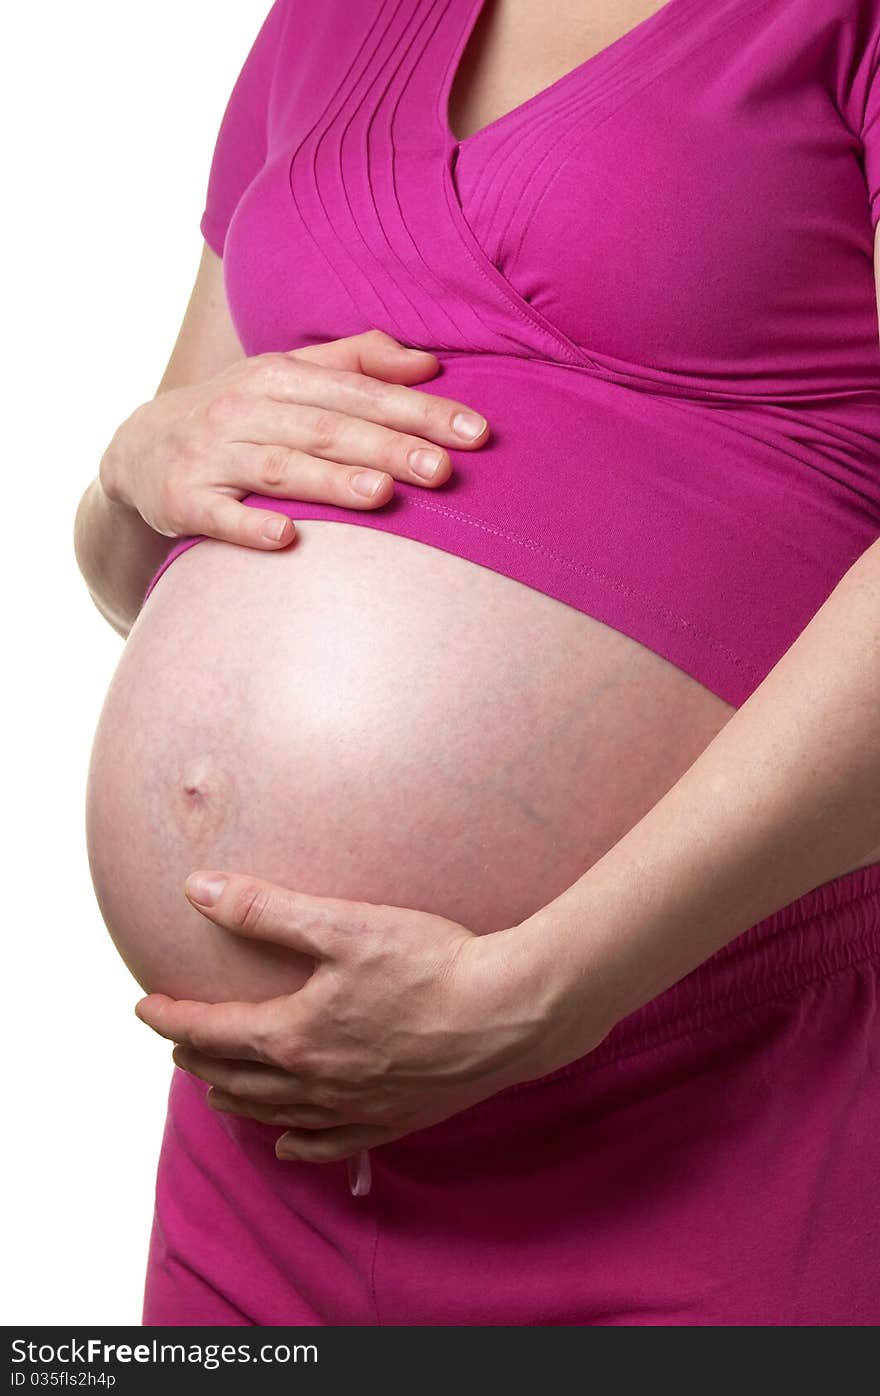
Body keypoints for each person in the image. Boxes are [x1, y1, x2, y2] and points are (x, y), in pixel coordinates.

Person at [74, 0, 880, 1325]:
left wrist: (552, 990)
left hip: (706, 1090)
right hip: (278, 1146)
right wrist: (127, 471)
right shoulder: (321, 20)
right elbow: (143, 565)